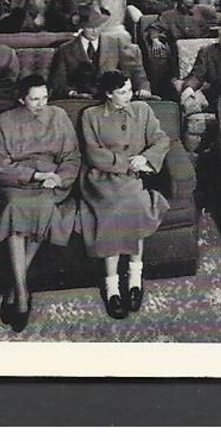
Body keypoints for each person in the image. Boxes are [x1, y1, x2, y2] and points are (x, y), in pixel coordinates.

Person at [78, 70, 172, 320]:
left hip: (133, 177)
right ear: (108, 94)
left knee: (133, 203)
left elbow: (161, 140)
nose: (128, 95)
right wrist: (125, 163)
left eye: (130, 90)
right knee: (116, 206)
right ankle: (112, 286)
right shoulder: (91, 115)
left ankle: (135, 279)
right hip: (103, 177)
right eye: (122, 92)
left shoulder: (143, 110)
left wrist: (146, 158)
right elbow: (93, 153)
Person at [0, 75, 79, 333]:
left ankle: (14, 289)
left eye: (44, 98)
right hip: (17, 182)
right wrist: (33, 175)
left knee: (44, 207)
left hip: (50, 183)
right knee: (15, 208)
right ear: (21, 98)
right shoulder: (4, 121)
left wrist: (59, 177)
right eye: (34, 99)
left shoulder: (59, 116)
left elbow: (72, 156)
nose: (41, 104)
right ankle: (23, 294)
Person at [47, 6, 149, 100]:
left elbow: (134, 69)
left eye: (98, 26)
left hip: (112, 100)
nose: (95, 31)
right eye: (90, 27)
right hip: (81, 101)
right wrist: (73, 94)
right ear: (81, 27)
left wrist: (142, 87)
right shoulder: (65, 50)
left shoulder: (115, 43)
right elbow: (57, 83)